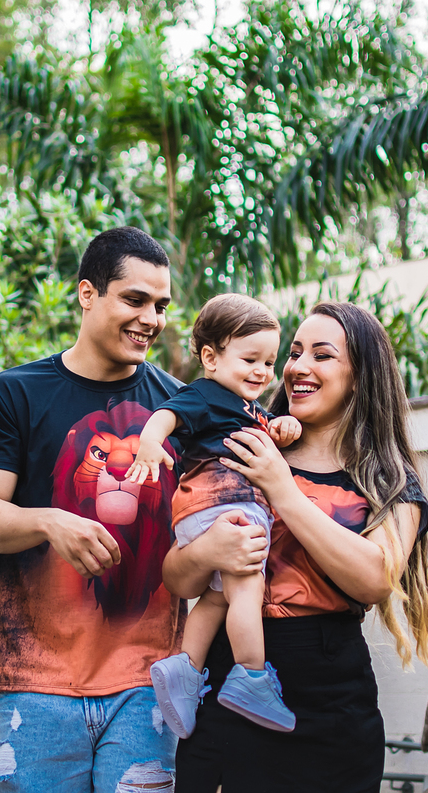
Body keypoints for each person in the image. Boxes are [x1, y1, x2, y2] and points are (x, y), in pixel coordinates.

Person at [0, 227, 267, 793]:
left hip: (149, 685)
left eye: (161, 306)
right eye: (134, 299)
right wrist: (49, 520)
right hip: (37, 684)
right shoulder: (13, 394)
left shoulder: (185, 406)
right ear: (87, 293)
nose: (151, 319)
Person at [165, 301, 428, 792]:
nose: (298, 367)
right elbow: (178, 578)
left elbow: (375, 578)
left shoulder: (388, 480)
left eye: (322, 354)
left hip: (328, 700)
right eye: (294, 353)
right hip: (229, 685)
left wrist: (283, 490)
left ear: (360, 377)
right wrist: (209, 551)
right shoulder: (242, 441)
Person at [125, 294, 302, 739]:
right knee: (247, 588)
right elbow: (167, 414)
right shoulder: (206, 395)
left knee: (218, 597)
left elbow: (266, 432)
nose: (262, 371)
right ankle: (252, 676)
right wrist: (150, 442)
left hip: (206, 509)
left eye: (269, 362)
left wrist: (283, 427)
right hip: (227, 502)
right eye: (250, 360)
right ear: (210, 357)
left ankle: (185, 668)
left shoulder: (245, 407)